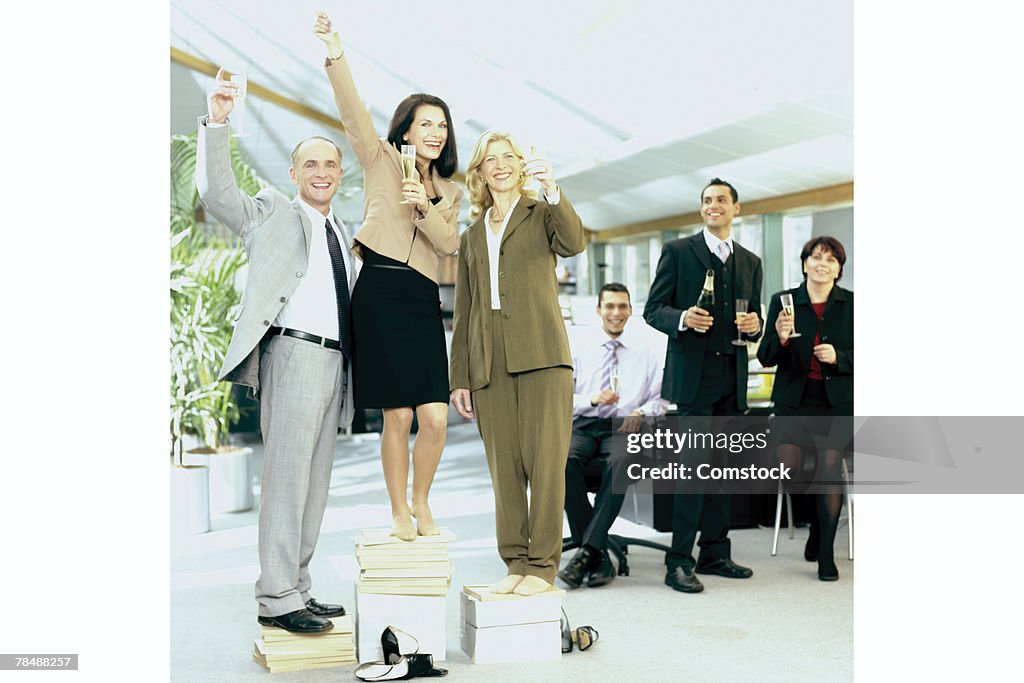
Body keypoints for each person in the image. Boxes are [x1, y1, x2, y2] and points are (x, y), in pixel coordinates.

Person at [195, 70, 356, 633]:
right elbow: (217, 194)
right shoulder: (270, 212)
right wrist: (218, 120)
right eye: (310, 164)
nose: (320, 172)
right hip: (293, 357)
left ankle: (297, 589)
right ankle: (275, 600)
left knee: (313, 488)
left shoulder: (343, 231)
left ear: (340, 174)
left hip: (336, 364)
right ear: (293, 174)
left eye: (330, 164)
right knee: (287, 482)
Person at [314, 12, 462, 541]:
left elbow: (450, 244)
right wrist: (335, 52)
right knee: (397, 417)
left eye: (442, 125)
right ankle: (400, 509)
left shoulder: (449, 190)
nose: (435, 131)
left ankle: (422, 500)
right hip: (377, 291)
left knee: (436, 417)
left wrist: (425, 204)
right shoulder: (378, 159)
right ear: (406, 128)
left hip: (422, 300)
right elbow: (352, 113)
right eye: (426, 122)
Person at [450, 131, 586, 596]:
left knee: (546, 465)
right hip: (490, 359)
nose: (501, 164)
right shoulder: (470, 237)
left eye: (510, 157)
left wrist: (554, 190)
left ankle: (544, 566)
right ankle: (516, 562)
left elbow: (574, 243)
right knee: (504, 468)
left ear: (522, 166)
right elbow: (465, 310)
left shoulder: (543, 212)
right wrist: (461, 377)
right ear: (480, 172)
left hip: (544, 356)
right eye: (491, 159)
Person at [643, 177, 762, 594]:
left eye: (721, 200)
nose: (714, 206)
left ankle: (715, 552)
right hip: (694, 381)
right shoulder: (678, 251)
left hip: (733, 379)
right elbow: (653, 309)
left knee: (723, 473)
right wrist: (683, 319)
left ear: (736, 207)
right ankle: (678, 561)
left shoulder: (750, 261)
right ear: (702, 209)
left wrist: (755, 325)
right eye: (707, 201)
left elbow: (756, 321)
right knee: (692, 473)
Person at [558, 283, 666, 589]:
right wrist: (591, 400)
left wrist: (641, 412)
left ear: (631, 311)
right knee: (563, 460)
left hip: (624, 427)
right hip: (584, 424)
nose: (616, 313)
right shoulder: (580, 351)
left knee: (621, 461)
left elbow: (659, 401)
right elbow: (562, 398)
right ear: (598, 311)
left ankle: (586, 553)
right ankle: (598, 553)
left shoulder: (646, 355)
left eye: (622, 306)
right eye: (609, 306)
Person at [757, 236, 853, 581]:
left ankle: (825, 553)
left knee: (828, 467)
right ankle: (816, 523)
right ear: (804, 264)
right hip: (793, 401)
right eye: (816, 257)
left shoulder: (853, 305)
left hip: (835, 404)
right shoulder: (783, 302)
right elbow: (765, 356)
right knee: (788, 466)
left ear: (839, 269)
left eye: (831, 258)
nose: (822, 263)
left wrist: (839, 358)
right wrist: (780, 337)